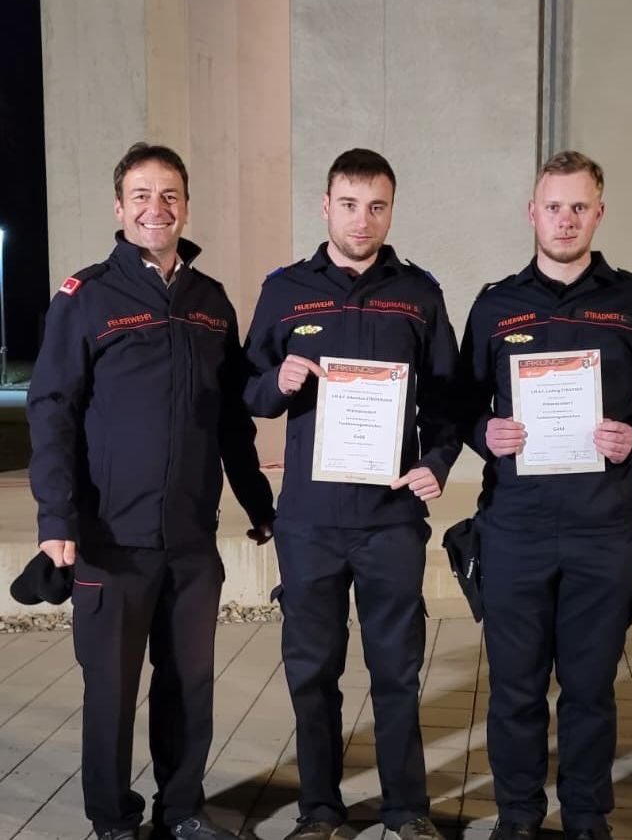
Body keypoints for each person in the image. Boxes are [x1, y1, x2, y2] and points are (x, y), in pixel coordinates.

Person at [27, 142, 275, 840]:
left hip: (191, 540)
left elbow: (229, 420)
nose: (155, 208)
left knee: (189, 686)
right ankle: (113, 820)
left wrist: (259, 504)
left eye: (169, 195)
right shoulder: (85, 297)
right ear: (119, 207)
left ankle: (182, 810)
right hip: (111, 540)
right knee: (111, 691)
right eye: (141, 195)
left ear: (186, 207)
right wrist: (56, 517)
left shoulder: (211, 302)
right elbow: (51, 409)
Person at [459, 150, 632, 840]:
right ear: (532, 213)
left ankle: (588, 820)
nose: (565, 219)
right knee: (515, 691)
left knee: (590, 691)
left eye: (579, 207)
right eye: (553, 207)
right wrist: (484, 431)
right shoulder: (496, 305)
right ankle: (518, 818)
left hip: (602, 530)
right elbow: (457, 402)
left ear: (599, 213)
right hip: (514, 529)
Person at [243, 149, 460, 840]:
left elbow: (449, 400)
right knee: (313, 672)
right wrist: (276, 383)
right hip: (309, 520)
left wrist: (438, 461)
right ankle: (319, 809)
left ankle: (407, 809)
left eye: (376, 206)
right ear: (325, 206)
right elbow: (246, 389)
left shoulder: (419, 293)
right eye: (348, 204)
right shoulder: (285, 290)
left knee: (396, 671)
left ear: (391, 210)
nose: (361, 220)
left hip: (391, 518)